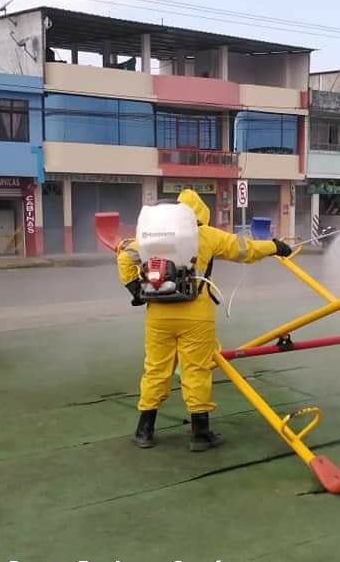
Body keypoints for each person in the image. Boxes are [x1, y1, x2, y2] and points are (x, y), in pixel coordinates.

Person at [117, 189, 292, 452]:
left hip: (158, 316)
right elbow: (246, 250)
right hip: (196, 316)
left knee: (155, 370)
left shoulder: (151, 237)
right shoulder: (206, 235)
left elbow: (124, 259)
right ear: (200, 212)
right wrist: (276, 246)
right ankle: (200, 435)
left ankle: (144, 431)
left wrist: (135, 290)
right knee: (196, 371)